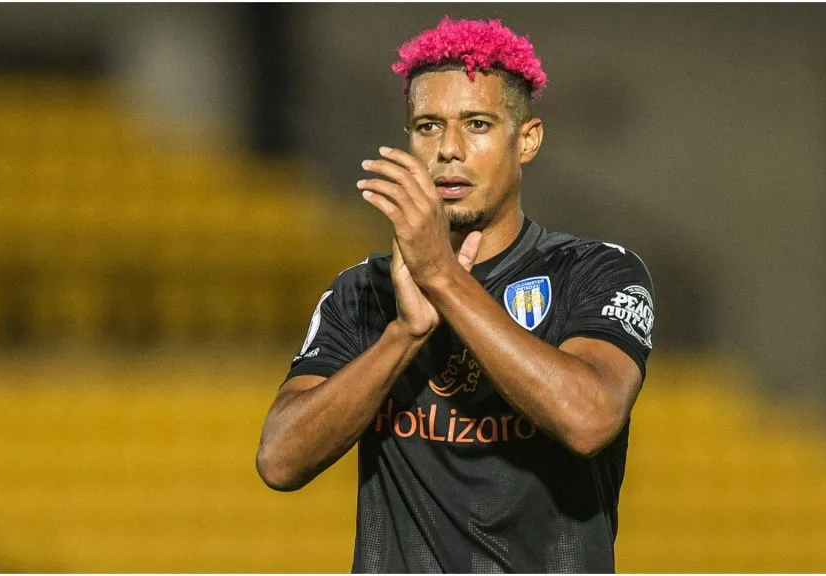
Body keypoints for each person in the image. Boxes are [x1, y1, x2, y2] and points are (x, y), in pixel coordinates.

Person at [257, 16, 655, 573]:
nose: (448, 148)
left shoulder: (595, 272)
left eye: (477, 124)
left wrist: (443, 278)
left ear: (529, 139)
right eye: (427, 125)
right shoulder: (361, 294)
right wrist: (404, 335)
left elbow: (588, 419)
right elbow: (279, 460)